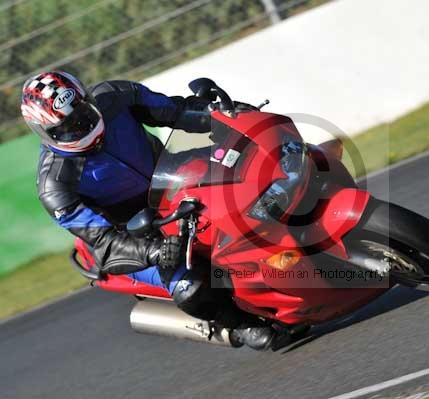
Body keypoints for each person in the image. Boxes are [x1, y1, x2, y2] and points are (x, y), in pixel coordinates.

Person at [21, 71, 274, 350]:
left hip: (170, 178)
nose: (80, 128)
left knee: (250, 165)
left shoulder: (116, 96)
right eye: (67, 128)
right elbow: (105, 243)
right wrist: (155, 250)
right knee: (186, 284)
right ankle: (241, 324)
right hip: (133, 231)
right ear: (45, 132)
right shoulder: (55, 184)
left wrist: (224, 114)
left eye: (83, 116)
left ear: (89, 99)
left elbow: (176, 111)